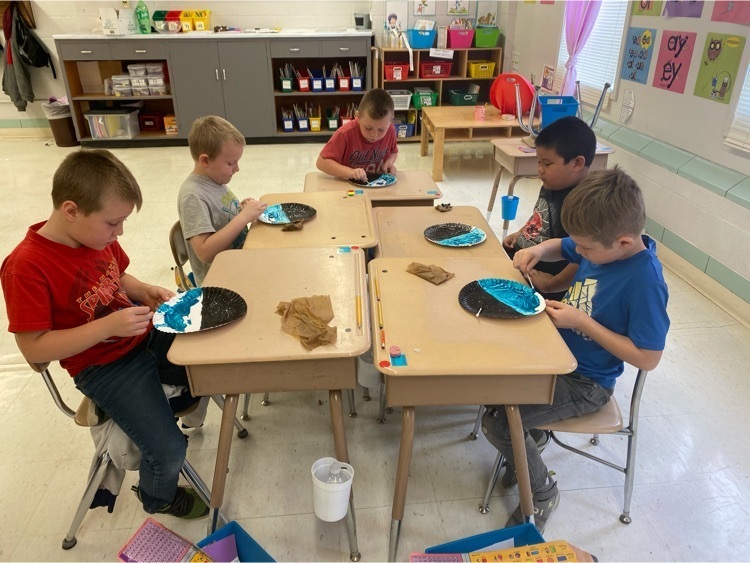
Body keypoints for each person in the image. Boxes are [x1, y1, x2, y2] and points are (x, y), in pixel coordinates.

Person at [1, 149, 209, 519]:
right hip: (102, 366)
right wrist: (108, 327)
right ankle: (157, 497)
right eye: (114, 223)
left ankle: (162, 405)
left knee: (212, 354)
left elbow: (119, 276)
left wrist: (143, 289)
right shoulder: (26, 267)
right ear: (71, 210)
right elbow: (34, 349)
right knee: (168, 450)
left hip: (139, 335)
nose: (119, 232)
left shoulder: (96, 236)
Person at [482, 166, 670, 533]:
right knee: (491, 372)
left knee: (499, 421)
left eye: (586, 249)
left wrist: (582, 323)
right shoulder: (602, 244)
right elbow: (562, 245)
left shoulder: (645, 283)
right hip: (557, 357)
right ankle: (533, 436)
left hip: (587, 383)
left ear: (624, 243)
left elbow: (648, 358)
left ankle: (543, 492)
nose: (578, 253)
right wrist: (537, 249)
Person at [503, 115, 597, 300]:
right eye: (538, 161)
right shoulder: (552, 183)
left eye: (547, 163)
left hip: (542, 287)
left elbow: (584, 256)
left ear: (577, 163)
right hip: (521, 266)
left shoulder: (585, 203)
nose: (540, 169)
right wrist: (519, 234)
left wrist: (551, 284)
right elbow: (539, 217)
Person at [178, 115, 267, 286]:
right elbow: (205, 252)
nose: (237, 169)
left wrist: (240, 209)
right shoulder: (193, 196)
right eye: (231, 163)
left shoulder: (214, 180)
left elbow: (220, 216)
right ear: (205, 160)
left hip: (239, 261)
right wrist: (243, 218)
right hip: (221, 281)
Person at [316, 88, 398, 181]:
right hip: (347, 184)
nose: (374, 135)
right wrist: (350, 172)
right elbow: (321, 163)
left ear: (391, 120)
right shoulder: (344, 134)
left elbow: (394, 152)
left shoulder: (391, 130)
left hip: (378, 183)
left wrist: (390, 162)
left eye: (381, 130)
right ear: (358, 117)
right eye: (368, 128)